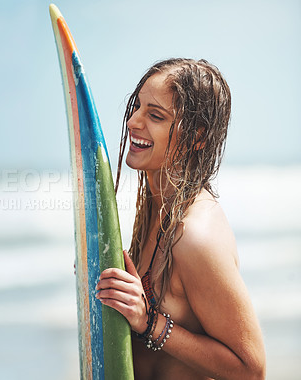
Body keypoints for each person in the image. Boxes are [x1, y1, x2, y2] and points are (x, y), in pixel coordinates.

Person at [95, 58, 266, 379]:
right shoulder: (155, 205)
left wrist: (149, 323)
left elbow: (251, 370)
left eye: (155, 115)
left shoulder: (194, 237)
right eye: (137, 107)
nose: (133, 121)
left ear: (196, 136)